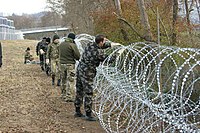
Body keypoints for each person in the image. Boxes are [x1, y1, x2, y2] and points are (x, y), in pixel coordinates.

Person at [74, 34, 114, 121]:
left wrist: (110, 44)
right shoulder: (97, 52)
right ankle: (88, 114)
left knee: (79, 89)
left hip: (80, 68)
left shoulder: (90, 45)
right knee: (88, 92)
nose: (105, 42)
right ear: (100, 42)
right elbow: (108, 59)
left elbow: (100, 46)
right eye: (104, 41)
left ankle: (77, 110)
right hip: (87, 72)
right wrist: (117, 54)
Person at [59, 33, 80, 102]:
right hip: (70, 64)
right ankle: (69, 96)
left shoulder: (61, 44)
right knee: (71, 80)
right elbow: (77, 56)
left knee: (63, 79)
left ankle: (63, 94)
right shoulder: (72, 45)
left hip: (61, 64)